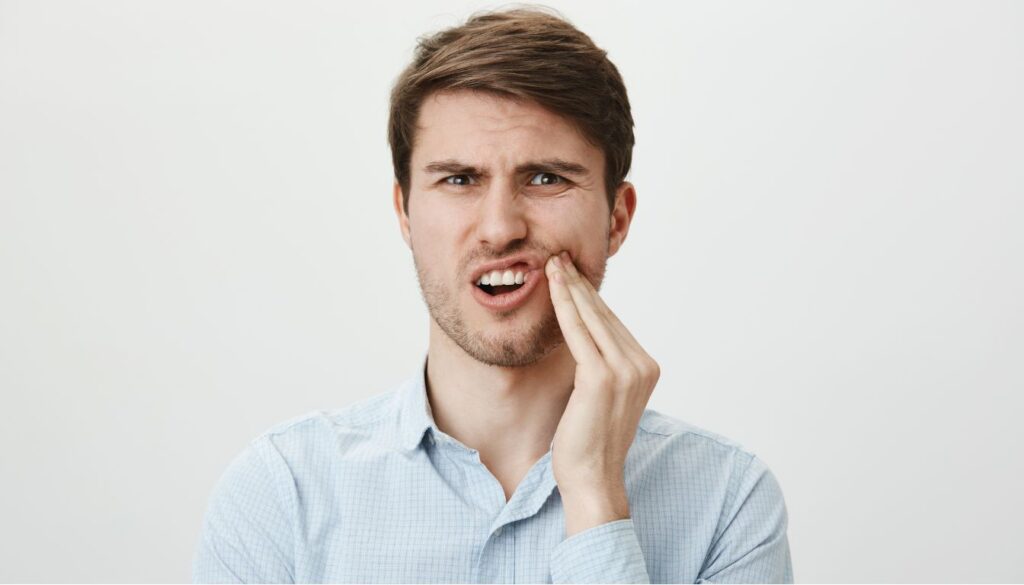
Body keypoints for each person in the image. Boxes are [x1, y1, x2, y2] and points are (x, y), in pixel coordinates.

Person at [192, 7, 793, 584]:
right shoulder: (282, 494)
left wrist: (592, 493)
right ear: (405, 212)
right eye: (459, 179)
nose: (500, 227)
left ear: (617, 216)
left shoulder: (728, 503)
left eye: (545, 178)